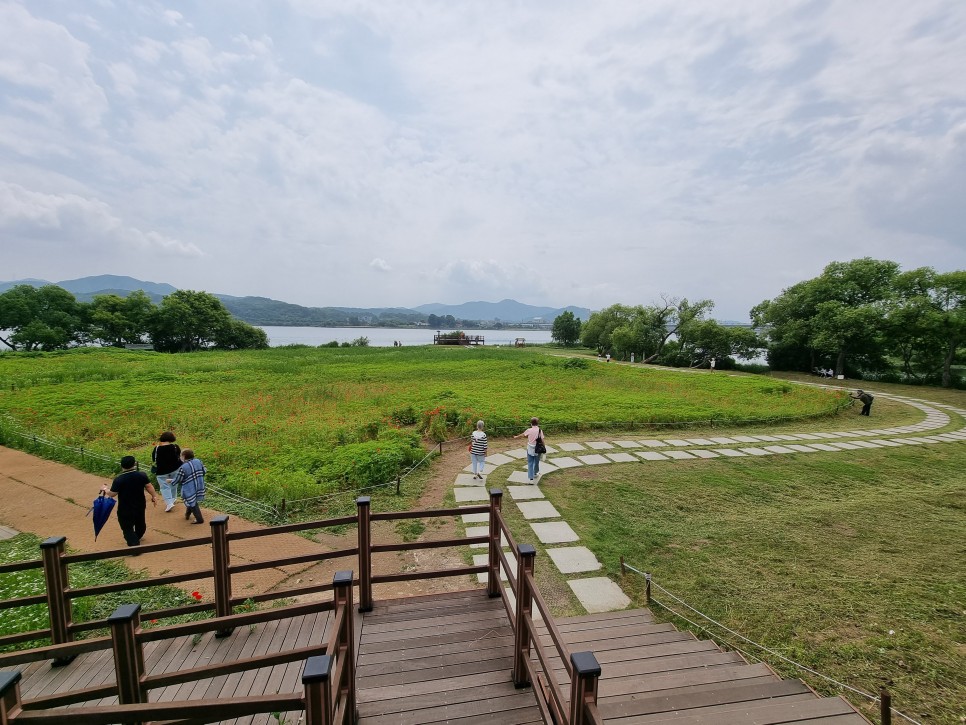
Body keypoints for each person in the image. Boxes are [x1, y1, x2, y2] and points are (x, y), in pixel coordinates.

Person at [102, 455, 157, 548]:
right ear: (134, 464)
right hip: (140, 504)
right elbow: (149, 486)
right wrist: (154, 496)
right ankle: (137, 536)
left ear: (121, 465)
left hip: (125, 507)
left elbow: (112, 494)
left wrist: (105, 489)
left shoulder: (119, 479)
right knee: (140, 522)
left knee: (127, 526)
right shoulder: (141, 475)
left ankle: (134, 544)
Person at [171, 449, 207, 524]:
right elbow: (204, 471)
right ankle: (187, 514)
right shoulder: (198, 461)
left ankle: (199, 519)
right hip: (199, 484)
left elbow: (179, 479)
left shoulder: (183, 467)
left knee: (191, 501)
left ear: (184, 456)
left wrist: (171, 481)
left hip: (189, 487)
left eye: (181, 455)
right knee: (191, 500)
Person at [152, 431, 182, 513]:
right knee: (173, 483)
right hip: (175, 469)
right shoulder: (175, 447)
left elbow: (154, 459)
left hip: (162, 471)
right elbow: (179, 456)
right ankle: (173, 499)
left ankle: (169, 503)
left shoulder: (157, 448)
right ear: (172, 438)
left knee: (164, 487)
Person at [514, 417, 545, 483]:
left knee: (530, 463)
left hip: (530, 448)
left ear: (531, 424)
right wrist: (544, 448)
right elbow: (542, 440)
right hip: (538, 448)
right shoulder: (540, 430)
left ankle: (531, 479)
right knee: (536, 462)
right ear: (537, 423)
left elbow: (523, 435)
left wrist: (516, 436)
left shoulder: (529, 430)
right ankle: (535, 473)